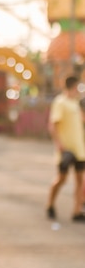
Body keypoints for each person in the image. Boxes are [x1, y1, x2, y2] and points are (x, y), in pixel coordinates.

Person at [46, 75, 85, 222]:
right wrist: (59, 144)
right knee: (61, 179)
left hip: (79, 149)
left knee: (80, 180)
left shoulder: (75, 103)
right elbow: (53, 126)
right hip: (66, 149)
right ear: (73, 86)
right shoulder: (60, 102)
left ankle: (76, 211)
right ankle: (50, 204)